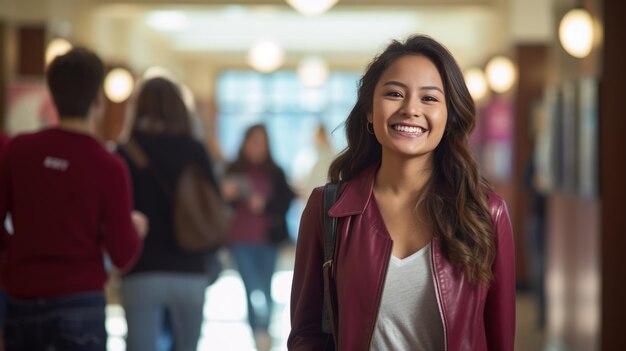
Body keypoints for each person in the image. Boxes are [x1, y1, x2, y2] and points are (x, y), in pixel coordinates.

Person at [288, 34, 516, 350]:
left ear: (449, 116)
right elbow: (306, 333)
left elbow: (501, 341)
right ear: (370, 110)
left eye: (429, 98)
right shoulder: (328, 208)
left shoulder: (487, 213)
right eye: (395, 93)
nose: (410, 109)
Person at [0, 47, 148, 351]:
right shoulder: (108, 166)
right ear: (98, 100)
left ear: (51, 96)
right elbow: (123, 255)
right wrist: (137, 229)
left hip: (21, 295)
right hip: (79, 298)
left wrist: (13, 255)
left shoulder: (18, 150)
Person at [116, 76, 222, 351]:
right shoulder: (194, 150)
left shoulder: (125, 152)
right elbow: (214, 202)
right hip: (190, 269)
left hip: (141, 268)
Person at [222, 124, 295, 351]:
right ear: (244, 143)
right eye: (252, 141)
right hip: (239, 240)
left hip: (267, 241)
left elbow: (285, 203)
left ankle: (263, 333)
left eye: (261, 142)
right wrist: (228, 195)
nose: (256, 146)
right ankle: (259, 333)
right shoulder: (231, 169)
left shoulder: (276, 172)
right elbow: (215, 204)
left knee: (265, 288)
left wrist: (265, 204)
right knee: (252, 288)